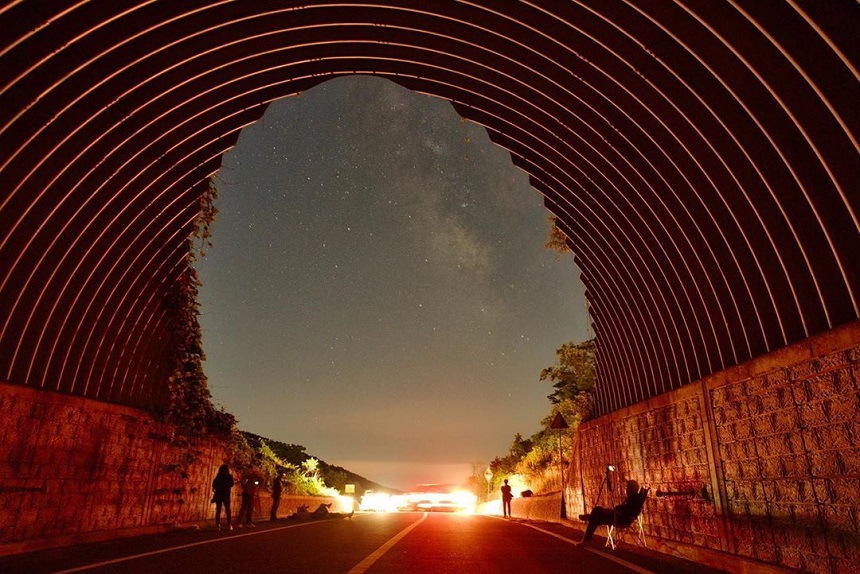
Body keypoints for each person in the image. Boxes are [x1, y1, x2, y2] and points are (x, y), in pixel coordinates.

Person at [577, 479, 648, 545]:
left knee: (596, 513)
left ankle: (588, 526)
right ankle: (590, 519)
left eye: (626, 487)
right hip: (618, 515)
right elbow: (624, 509)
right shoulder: (634, 498)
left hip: (620, 519)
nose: (625, 489)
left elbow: (625, 510)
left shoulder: (634, 499)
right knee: (597, 511)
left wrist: (612, 510)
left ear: (630, 489)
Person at [212, 464, 234, 531]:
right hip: (226, 495)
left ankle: (218, 525)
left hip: (219, 495)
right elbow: (232, 484)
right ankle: (229, 524)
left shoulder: (218, 477)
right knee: (228, 510)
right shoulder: (229, 476)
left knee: (218, 510)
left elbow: (214, 485)